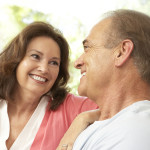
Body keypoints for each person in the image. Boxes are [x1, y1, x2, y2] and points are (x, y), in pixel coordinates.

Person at [0, 21, 98, 150]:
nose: (44, 69)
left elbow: (123, 106)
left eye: (53, 62)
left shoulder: (71, 107)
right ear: (16, 59)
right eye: (35, 56)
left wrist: (83, 118)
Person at [67, 9, 150, 150]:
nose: (77, 62)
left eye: (87, 47)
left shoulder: (134, 131)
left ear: (121, 52)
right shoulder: (114, 125)